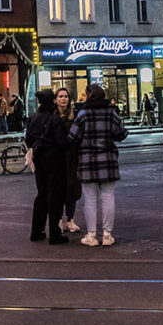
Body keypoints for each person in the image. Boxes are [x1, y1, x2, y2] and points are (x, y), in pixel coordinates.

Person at [69, 83, 127, 247]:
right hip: (108, 160)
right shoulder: (111, 114)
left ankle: (91, 235)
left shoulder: (82, 114)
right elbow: (122, 134)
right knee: (108, 197)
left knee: (90, 199)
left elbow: (72, 138)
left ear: (89, 96)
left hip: (87, 161)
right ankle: (107, 235)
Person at [25, 90, 69, 245]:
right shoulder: (54, 119)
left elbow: (28, 139)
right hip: (54, 162)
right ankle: (54, 234)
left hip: (39, 161)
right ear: (52, 101)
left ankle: (36, 231)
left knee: (41, 195)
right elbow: (62, 142)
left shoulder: (33, 118)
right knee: (54, 197)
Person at [54, 87, 81, 234]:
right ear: (56, 99)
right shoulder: (52, 116)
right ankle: (59, 220)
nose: (63, 99)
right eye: (60, 96)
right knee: (58, 191)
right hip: (57, 159)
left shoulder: (74, 117)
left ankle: (70, 220)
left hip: (71, 159)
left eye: (66, 96)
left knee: (72, 190)